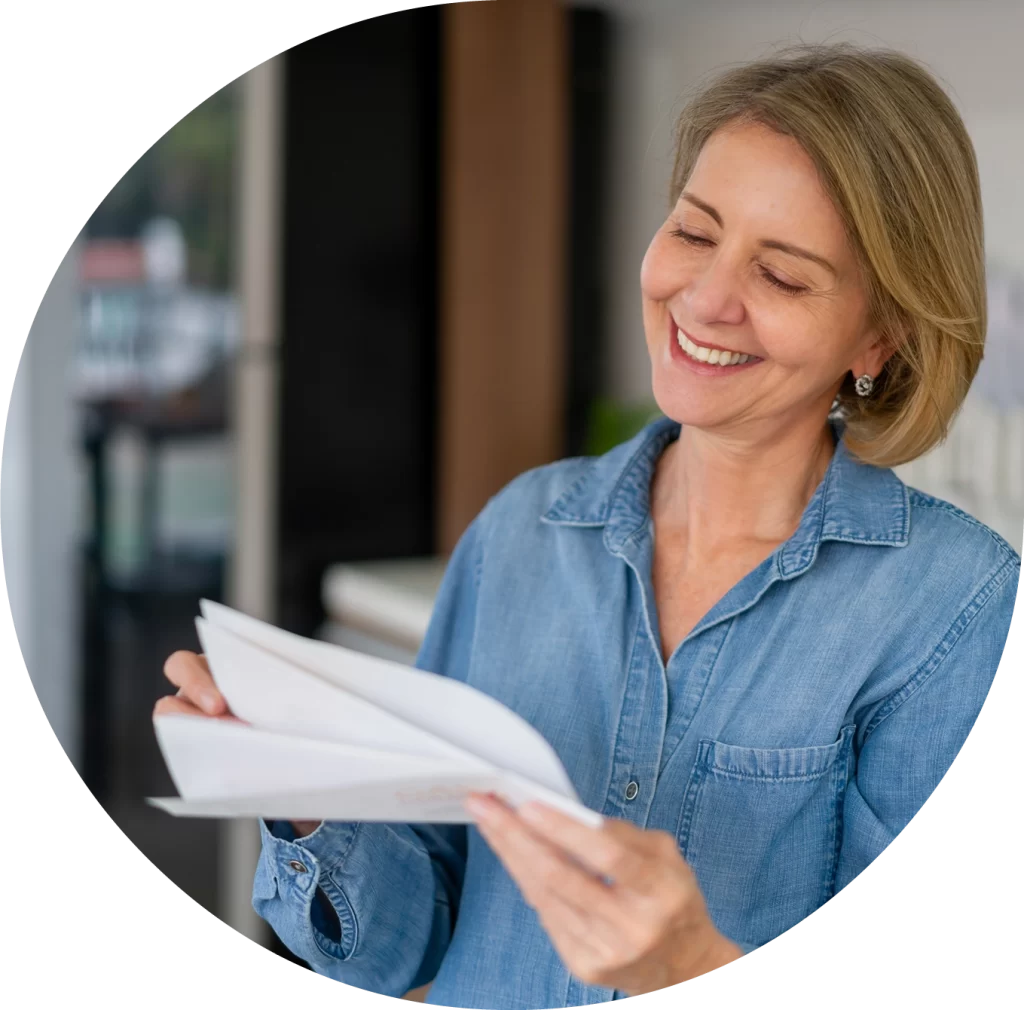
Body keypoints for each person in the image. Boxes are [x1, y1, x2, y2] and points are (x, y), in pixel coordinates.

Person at [155, 42, 1019, 1006]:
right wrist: (302, 792)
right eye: (694, 232)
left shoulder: (957, 610)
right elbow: (406, 942)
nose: (706, 299)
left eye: (781, 276)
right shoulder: (521, 530)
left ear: (879, 336)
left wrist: (694, 963)